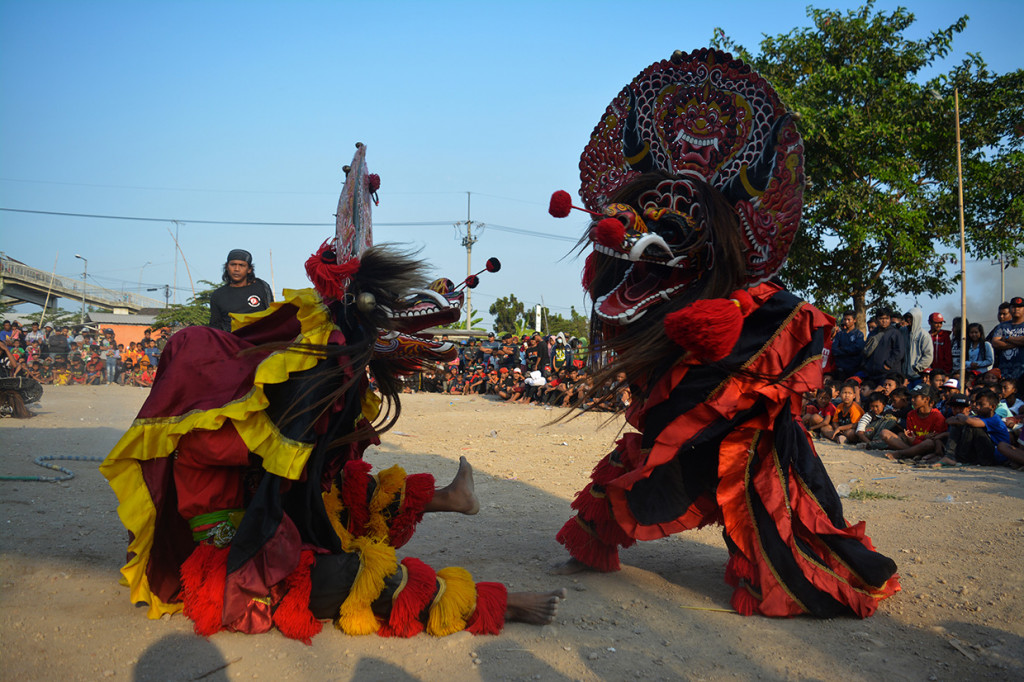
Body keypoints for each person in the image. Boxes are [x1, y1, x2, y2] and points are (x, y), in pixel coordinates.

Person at [101, 145, 563, 641]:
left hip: (273, 519)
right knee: (349, 575)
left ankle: (449, 498)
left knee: (341, 491)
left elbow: (296, 462)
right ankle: (497, 603)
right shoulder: (197, 437)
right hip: (242, 554)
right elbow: (275, 462)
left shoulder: (233, 411)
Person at [547, 49, 898, 618]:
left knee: (758, 489)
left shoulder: (755, 302)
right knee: (642, 458)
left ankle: (787, 574)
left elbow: (792, 332)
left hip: (746, 433)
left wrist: (727, 330)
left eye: (670, 225)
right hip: (675, 408)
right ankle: (593, 548)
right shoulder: (643, 281)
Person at [207, 249, 275, 332]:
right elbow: (215, 327)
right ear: (227, 267)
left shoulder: (261, 286)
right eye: (233, 265)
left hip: (260, 340)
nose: (236, 269)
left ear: (249, 269)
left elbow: (272, 315)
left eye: (242, 265)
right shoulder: (218, 295)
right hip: (232, 341)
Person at [879, 385, 947, 461]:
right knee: (884, 433)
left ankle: (902, 453)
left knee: (929, 443)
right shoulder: (911, 414)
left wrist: (917, 439)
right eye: (912, 397)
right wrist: (921, 438)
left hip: (927, 445)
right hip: (916, 444)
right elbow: (911, 437)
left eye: (915, 397)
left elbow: (935, 439)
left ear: (926, 399)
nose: (912, 400)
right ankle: (914, 453)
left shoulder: (937, 416)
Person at [990, 296, 1024, 381]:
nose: (1016, 309)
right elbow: (995, 342)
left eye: (1019, 307)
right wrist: (1018, 342)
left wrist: (1007, 338)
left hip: (1022, 370)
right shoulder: (1002, 325)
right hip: (1005, 370)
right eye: (1014, 307)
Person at [901, 308, 933, 386]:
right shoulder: (903, 331)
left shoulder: (924, 335)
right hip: (904, 376)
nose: (908, 319)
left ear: (916, 318)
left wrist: (917, 367)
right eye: (907, 317)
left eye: (910, 317)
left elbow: (928, 355)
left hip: (918, 376)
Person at [831, 311, 864, 380]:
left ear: (854, 320)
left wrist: (841, 349)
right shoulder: (840, 334)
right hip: (840, 369)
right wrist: (849, 350)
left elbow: (857, 348)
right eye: (845, 319)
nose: (846, 321)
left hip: (854, 368)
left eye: (849, 319)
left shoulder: (858, 334)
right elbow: (834, 350)